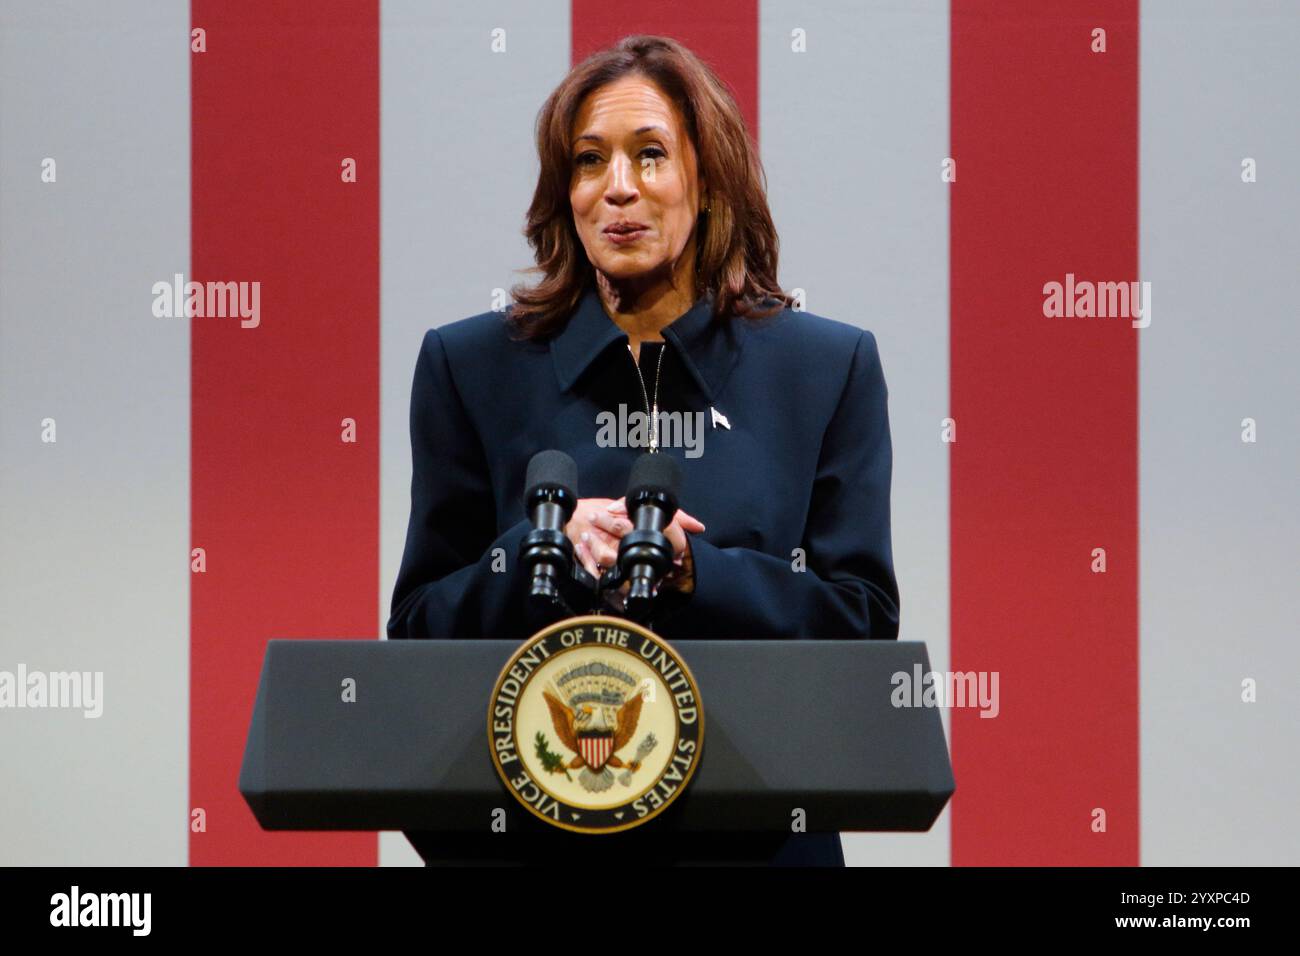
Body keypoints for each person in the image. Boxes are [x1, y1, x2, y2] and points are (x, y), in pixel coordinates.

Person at [388, 35, 900, 866]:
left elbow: (863, 632)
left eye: (651, 155)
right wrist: (531, 553)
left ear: (709, 180)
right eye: (590, 162)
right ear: (567, 194)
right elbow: (415, 638)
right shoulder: (469, 367)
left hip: (755, 846)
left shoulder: (824, 369)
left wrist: (702, 573)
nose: (618, 187)